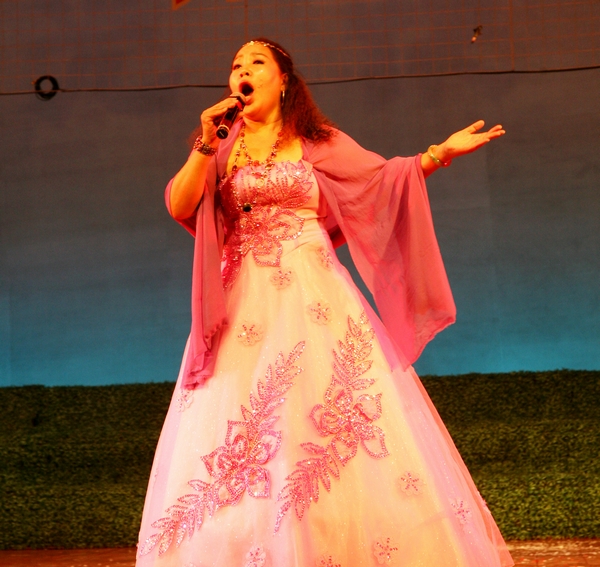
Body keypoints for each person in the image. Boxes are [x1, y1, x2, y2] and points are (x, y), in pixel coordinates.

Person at [136, 38, 511, 567]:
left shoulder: (316, 141)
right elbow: (181, 204)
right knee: (246, 426)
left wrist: (439, 154)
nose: (242, 70)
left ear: (283, 80)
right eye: (236, 65)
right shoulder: (221, 146)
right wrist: (204, 142)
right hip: (242, 306)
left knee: (322, 420)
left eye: (256, 62)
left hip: (315, 298)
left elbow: (381, 181)